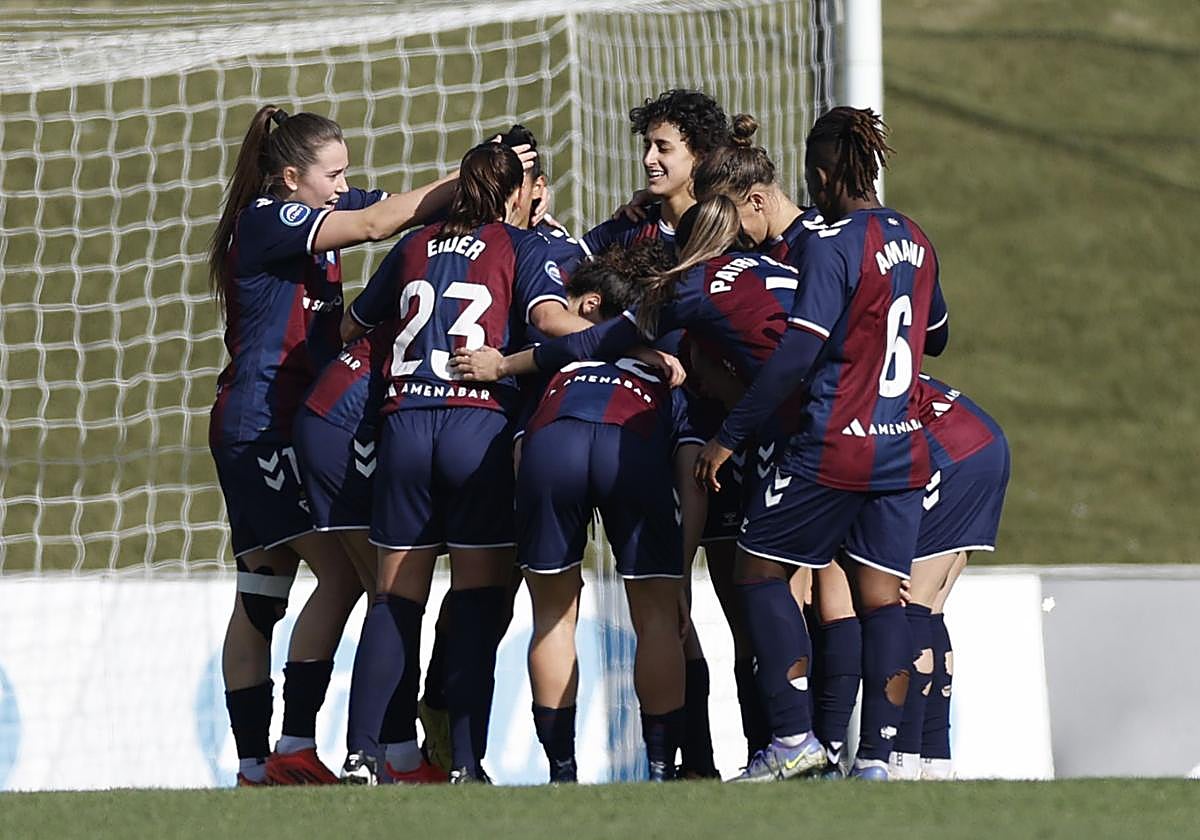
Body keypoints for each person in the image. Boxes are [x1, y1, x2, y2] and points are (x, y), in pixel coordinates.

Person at [206, 104, 465, 786]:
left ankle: (263, 764)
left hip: (278, 422)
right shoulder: (270, 218)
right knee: (346, 574)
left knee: (262, 593)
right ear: (291, 177)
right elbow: (380, 223)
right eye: (335, 174)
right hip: (260, 422)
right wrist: (473, 171)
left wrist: (462, 193)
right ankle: (290, 748)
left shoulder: (308, 209)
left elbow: (398, 209)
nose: (345, 186)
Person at [694, 106, 949, 782]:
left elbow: (796, 353)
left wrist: (729, 434)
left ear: (822, 171)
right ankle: (878, 758)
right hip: (901, 446)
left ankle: (793, 741)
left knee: (758, 571)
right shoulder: (915, 236)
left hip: (834, 443)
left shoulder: (832, 240)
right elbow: (938, 334)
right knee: (881, 598)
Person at [340, 140, 597, 784]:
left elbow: (353, 326)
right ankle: (468, 762)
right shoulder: (524, 247)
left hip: (402, 426)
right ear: (518, 193)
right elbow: (549, 320)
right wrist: (624, 336)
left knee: (395, 600)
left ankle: (363, 753)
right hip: (476, 429)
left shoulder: (414, 243)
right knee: (477, 600)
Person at [515, 243, 703, 782]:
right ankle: (662, 770)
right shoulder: (667, 373)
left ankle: (561, 773)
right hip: (633, 444)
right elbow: (693, 476)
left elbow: (520, 451)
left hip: (554, 444)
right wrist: (681, 571)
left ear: (590, 308)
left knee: (552, 616)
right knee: (657, 620)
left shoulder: (562, 363)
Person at [583, 89, 731, 258]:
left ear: (700, 155)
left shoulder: (727, 234)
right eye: (647, 146)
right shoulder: (629, 226)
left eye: (663, 148)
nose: (648, 159)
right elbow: (560, 266)